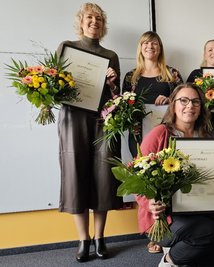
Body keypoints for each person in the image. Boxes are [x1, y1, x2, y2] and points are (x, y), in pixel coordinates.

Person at [136, 83, 214, 267]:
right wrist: (149, 202)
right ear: (173, 104)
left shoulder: (205, 137)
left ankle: (186, 252)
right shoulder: (159, 133)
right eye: (184, 100)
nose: (190, 106)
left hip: (199, 212)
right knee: (208, 231)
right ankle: (169, 260)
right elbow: (136, 175)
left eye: (196, 101)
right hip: (165, 217)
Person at [56, 3, 122, 262]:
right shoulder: (66, 47)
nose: (94, 22)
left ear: (103, 25)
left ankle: (99, 238)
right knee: (75, 174)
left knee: (103, 177)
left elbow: (116, 97)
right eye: (90, 18)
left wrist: (112, 83)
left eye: (99, 18)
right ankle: (82, 240)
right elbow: (57, 86)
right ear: (81, 22)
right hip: (73, 118)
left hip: (103, 120)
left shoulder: (111, 54)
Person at [122, 31, 183, 159]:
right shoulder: (130, 77)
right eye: (146, 43)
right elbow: (125, 109)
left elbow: (184, 101)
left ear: (160, 48)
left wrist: (169, 100)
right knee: (141, 171)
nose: (150, 46)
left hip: (167, 133)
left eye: (154, 43)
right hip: (138, 135)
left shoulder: (172, 74)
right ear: (140, 48)